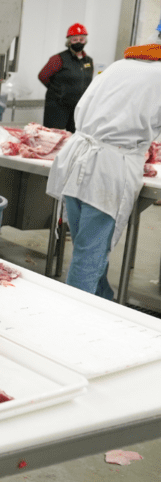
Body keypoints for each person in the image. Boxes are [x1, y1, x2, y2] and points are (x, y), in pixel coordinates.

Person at [46, 23, 161, 301]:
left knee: (89, 247)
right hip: (109, 168)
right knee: (89, 255)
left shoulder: (120, 65)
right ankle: (74, 324)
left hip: (76, 160)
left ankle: (103, 302)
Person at [38, 23, 94, 132]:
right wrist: (58, 90)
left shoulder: (88, 61)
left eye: (81, 39)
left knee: (74, 137)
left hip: (77, 106)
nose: (78, 42)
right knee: (53, 137)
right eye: (75, 39)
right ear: (69, 42)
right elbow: (43, 76)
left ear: (85, 41)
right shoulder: (58, 59)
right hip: (58, 106)